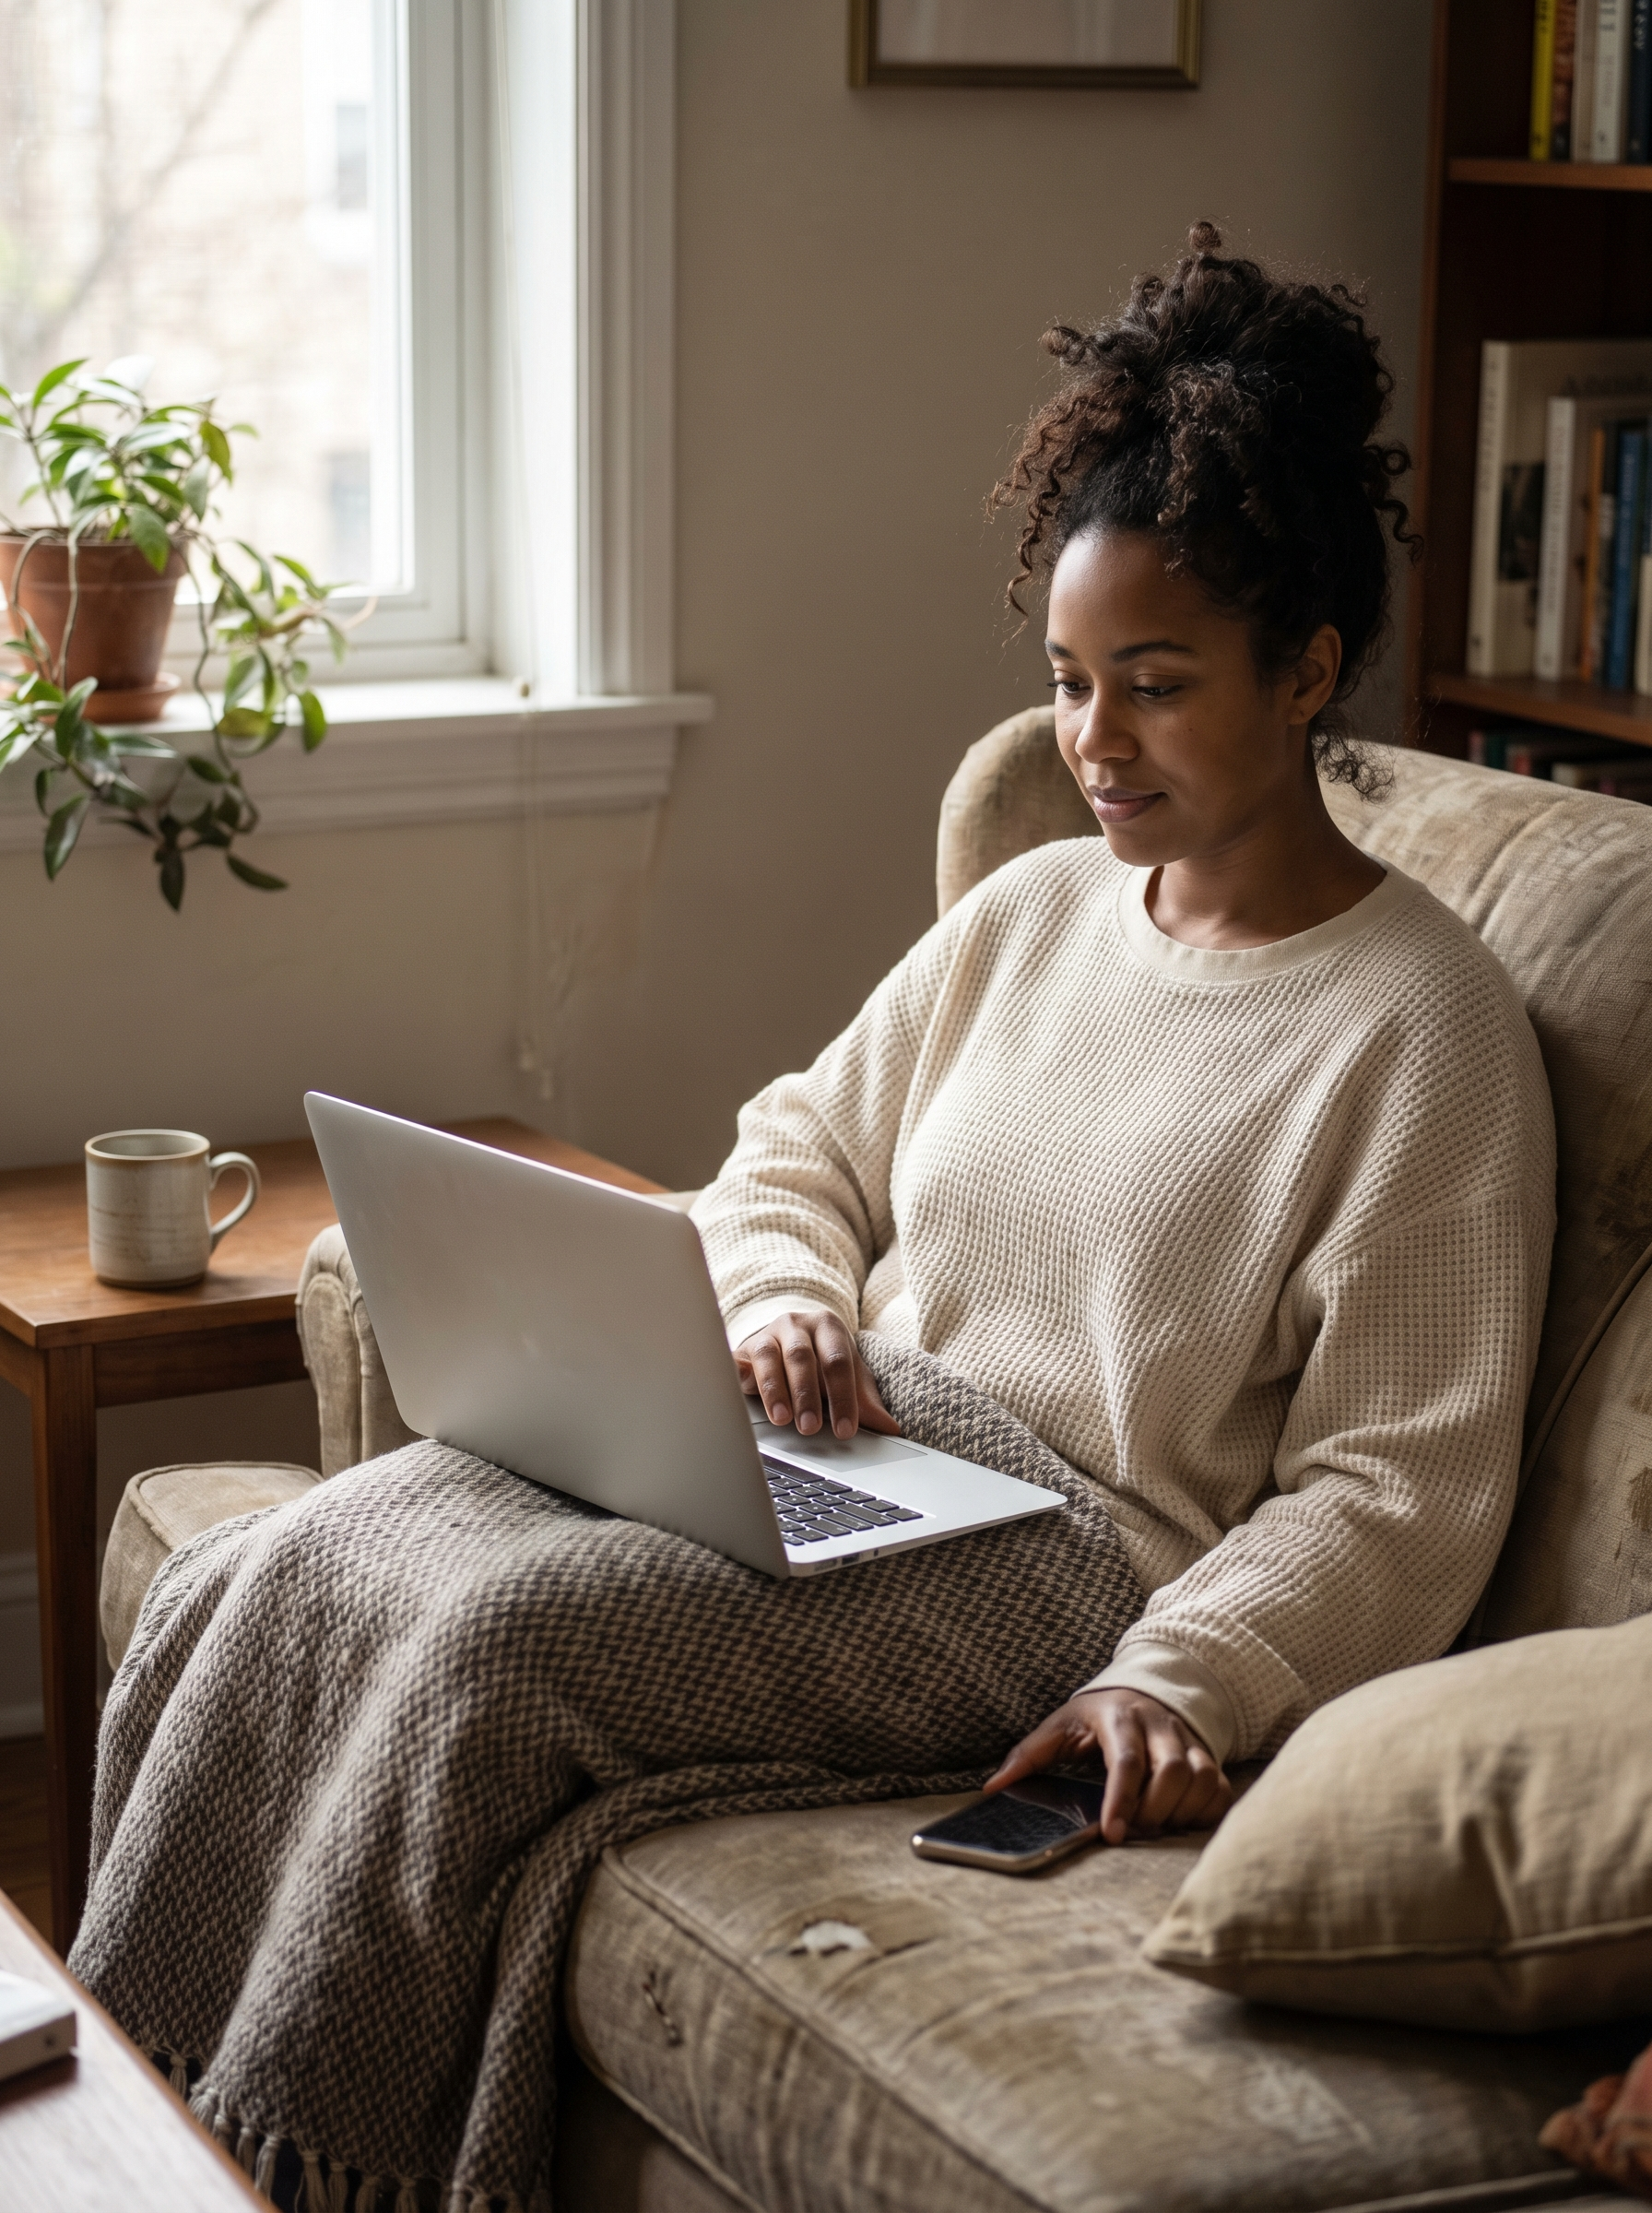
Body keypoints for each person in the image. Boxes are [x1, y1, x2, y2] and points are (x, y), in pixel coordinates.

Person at [692, 221, 1556, 1847]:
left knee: (479, 1649)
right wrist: (789, 1296)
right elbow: (797, 1143)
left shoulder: (1421, 1033)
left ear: (1304, 671)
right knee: (321, 1562)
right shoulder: (1036, 910)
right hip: (844, 1463)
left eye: (1153, 685)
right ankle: (107, 2094)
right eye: (1073, 681)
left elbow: (1404, 1489)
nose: (1093, 743)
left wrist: (1181, 1676)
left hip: (1059, 1562)